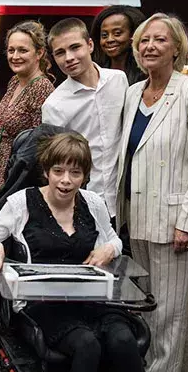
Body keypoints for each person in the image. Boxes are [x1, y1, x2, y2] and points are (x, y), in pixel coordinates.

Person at [0, 132, 154, 372]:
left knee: (125, 339)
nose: (66, 180)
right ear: (46, 170)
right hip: (44, 307)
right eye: (59, 171)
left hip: (93, 300)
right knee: (87, 344)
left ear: (85, 175)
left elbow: (111, 238)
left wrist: (110, 249)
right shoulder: (22, 203)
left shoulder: (93, 203)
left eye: (75, 172)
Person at [116, 13, 188, 372]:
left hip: (173, 218)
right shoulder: (132, 93)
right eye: (144, 41)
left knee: (169, 309)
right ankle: (141, 370)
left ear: (177, 47)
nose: (149, 47)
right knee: (142, 303)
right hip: (135, 216)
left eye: (159, 40)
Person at [41, 18, 128, 221]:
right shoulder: (55, 104)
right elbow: (55, 160)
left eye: (75, 47)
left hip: (124, 199)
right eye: (60, 53)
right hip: (84, 201)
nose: (69, 58)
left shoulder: (119, 80)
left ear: (90, 45)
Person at [0, 20, 55, 194]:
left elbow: (38, 144)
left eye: (23, 50)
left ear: (39, 53)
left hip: (19, 178)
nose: (15, 56)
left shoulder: (41, 87)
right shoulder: (14, 81)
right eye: (11, 50)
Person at [90, 5, 147, 85]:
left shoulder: (147, 73)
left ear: (134, 34)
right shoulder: (95, 73)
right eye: (104, 35)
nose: (109, 40)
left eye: (117, 33)